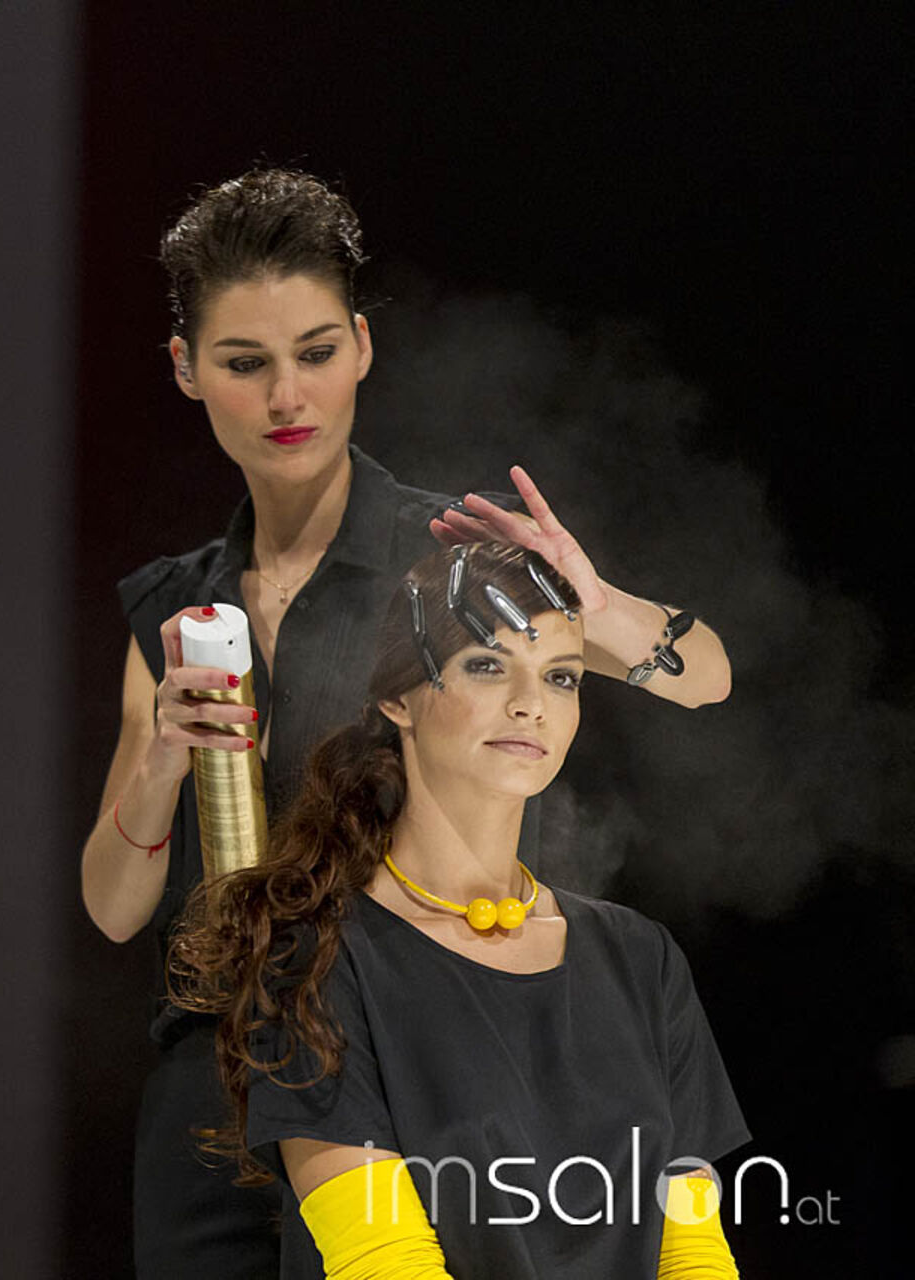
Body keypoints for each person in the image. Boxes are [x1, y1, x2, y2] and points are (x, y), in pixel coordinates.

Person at [78, 168, 734, 1276]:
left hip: (425, 1077)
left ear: (363, 347)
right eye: (245, 362)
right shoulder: (176, 610)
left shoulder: (456, 557)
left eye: (316, 351)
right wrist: (157, 765)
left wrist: (598, 602)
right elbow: (113, 906)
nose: (288, 395)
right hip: (214, 1103)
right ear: (187, 368)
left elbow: (706, 676)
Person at [167, 541, 747, 1277]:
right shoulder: (314, 958)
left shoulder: (641, 958)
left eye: (561, 676)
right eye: (486, 665)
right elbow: (383, 1261)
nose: (531, 704)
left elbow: (693, 1252)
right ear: (398, 698)